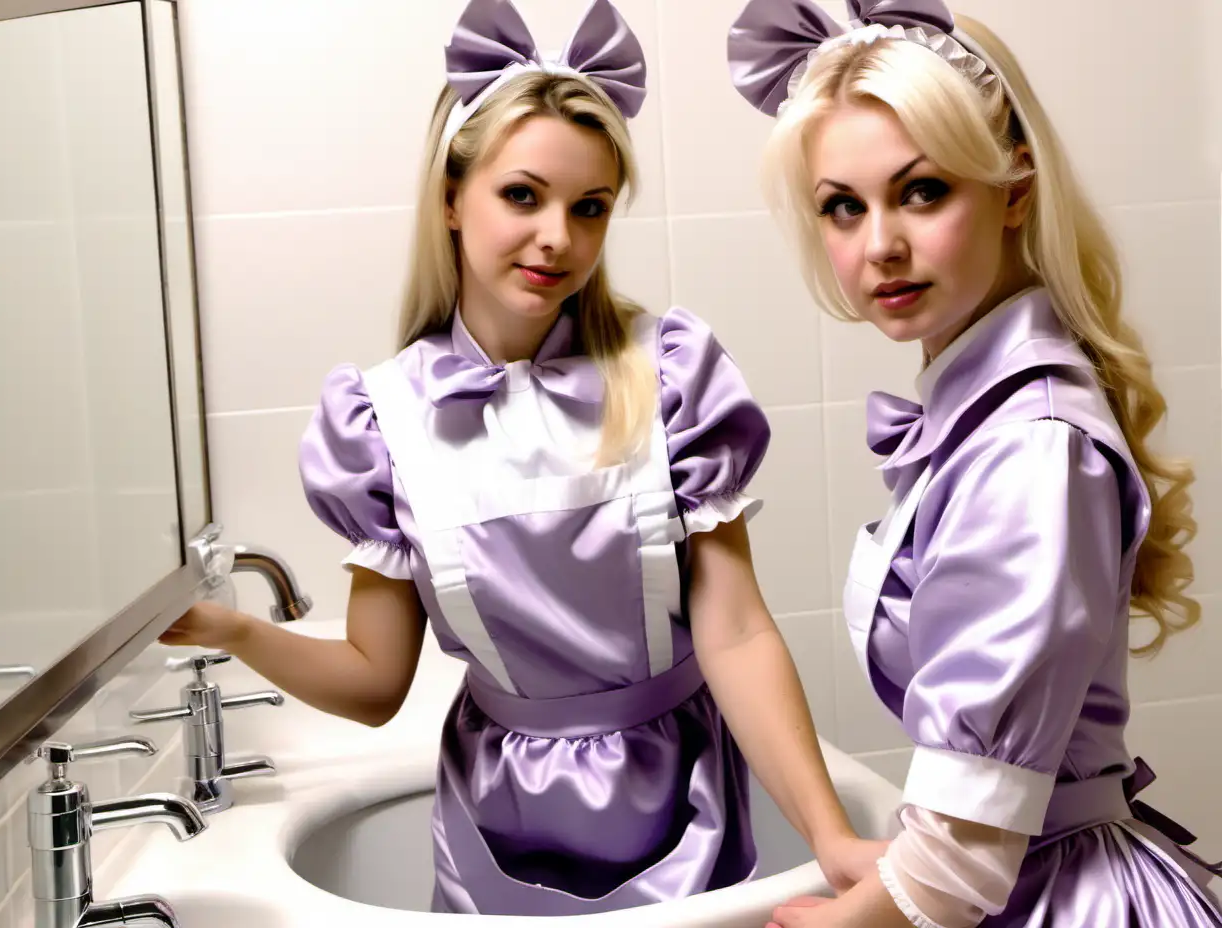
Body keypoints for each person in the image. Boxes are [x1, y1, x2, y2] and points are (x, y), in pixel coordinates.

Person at [161, 0, 884, 916]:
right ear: (451, 199)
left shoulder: (666, 377)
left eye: (590, 209)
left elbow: (736, 631)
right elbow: (378, 683)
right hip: (491, 819)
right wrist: (237, 634)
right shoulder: (382, 422)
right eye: (523, 196)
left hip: (683, 802)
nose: (559, 240)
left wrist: (829, 833)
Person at [726, 1, 1222, 926]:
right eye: (844, 205)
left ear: (1015, 188)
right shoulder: (984, 414)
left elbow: (960, 865)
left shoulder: (1030, 447)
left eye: (922, 191)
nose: (881, 246)